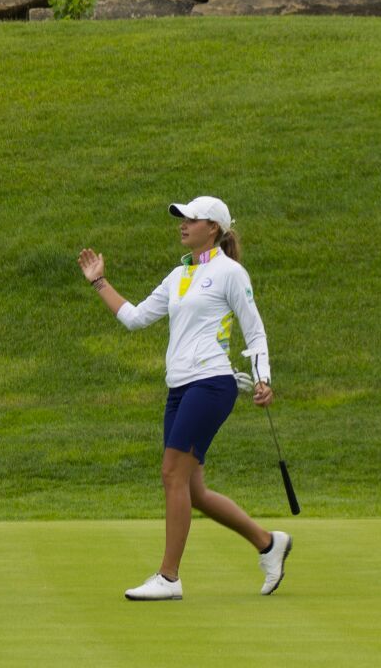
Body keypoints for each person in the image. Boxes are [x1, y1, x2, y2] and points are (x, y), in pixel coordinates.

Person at [77, 195, 290, 601]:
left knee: (171, 474)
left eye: (191, 219)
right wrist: (99, 282)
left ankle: (169, 578)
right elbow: (136, 318)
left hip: (211, 384)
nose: (183, 224)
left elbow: (255, 330)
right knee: (193, 490)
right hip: (180, 387)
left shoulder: (231, 272)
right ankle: (268, 543)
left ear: (213, 228)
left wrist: (263, 378)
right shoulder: (179, 276)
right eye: (182, 218)